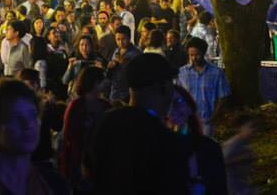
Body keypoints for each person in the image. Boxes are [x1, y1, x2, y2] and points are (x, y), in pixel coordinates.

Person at [83, 54, 190, 194]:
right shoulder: (163, 138)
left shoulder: (105, 122)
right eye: (172, 83)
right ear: (163, 87)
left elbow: (88, 171)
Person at [167, 84, 229, 194]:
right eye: (166, 105)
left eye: (178, 102)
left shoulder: (209, 148)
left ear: (190, 107)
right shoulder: (155, 151)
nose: (171, 110)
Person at [60, 66, 109, 192]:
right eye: (102, 80)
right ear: (94, 82)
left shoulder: (105, 105)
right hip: (78, 159)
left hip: (100, 160)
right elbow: (67, 137)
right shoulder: (76, 106)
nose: (106, 82)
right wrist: (65, 169)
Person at [177, 36, 230, 136]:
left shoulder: (216, 73)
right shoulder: (182, 73)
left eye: (197, 55)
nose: (194, 58)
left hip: (207, 121)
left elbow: (223, 97)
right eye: (191, 55)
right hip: (186, 121)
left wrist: (213, 117)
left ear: (203, 53)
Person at [106, 25, 140, 103]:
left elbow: (138, 73)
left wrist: (125, 64)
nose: (120, 42)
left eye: (123, 39)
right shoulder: (116, 51)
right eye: (118, 39)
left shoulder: (135, 53)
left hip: (128, 93)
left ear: (129, 38)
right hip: (114, 92)